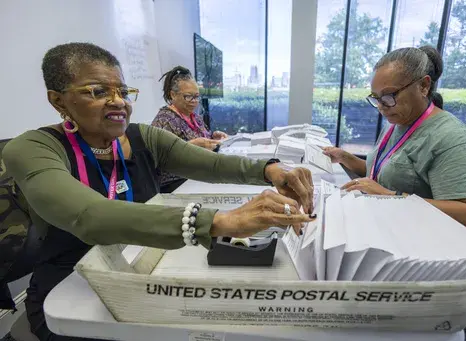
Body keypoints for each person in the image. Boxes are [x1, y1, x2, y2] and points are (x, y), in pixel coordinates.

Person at [3, 42, 315, 341]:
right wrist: (219, 222)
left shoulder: (145, 138)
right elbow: (91, 216)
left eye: (123, 91)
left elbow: (213, 165)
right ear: (58, 101)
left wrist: (271, 170)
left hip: (143, 274)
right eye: (98, 91)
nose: (118, 102)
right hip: (73, 293)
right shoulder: (32, 149)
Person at [323, 45, 466, 235]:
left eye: (389, 96)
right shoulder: (396, 122)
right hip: (385, 226)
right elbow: (386, 173)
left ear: (423, 86)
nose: (381, 106)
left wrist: (390, 196)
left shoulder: (449, 136)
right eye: (376, 98)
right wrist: (345, 157)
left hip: (420, 239)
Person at [152, 66, 229, 192]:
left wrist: (213, 136)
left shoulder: (195, 117)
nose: (194, 101)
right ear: (173, 95)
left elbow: (204, 137)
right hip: (177, 186)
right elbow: (158, 160)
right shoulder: (164, 121)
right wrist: (189, 147)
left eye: (196, 96)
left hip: (200, 178)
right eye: (188, 96)